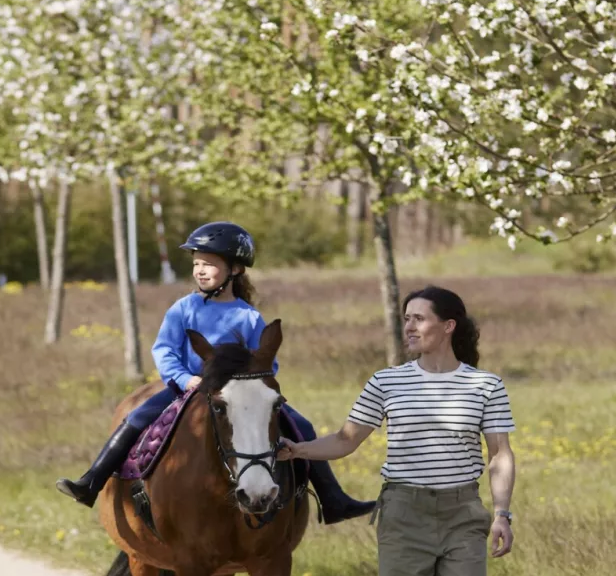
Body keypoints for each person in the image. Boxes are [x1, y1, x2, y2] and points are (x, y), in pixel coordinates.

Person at [278, 285, 516, 576]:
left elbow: (501, 455)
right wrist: (299, 449)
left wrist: (502, 513)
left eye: (419, 318)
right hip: (403, 514)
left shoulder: (484, 385)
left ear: (448, 326)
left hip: (462, 513)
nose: (409, 326)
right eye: (406, 318)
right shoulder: (386, 382)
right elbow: (347, 440)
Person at [55, 221, 376, 524]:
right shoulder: (183, 309)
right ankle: (91, 483)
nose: (200, 270)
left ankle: (334, 499)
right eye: (196, 264)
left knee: (301, 425)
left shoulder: (249, 317)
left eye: (208, 263)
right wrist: (185, 379)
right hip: (187, 388)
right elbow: (164, 350)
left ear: (235, 269)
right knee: (136, 419)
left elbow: (267, 362)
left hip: (241, 395)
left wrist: (254, 384)